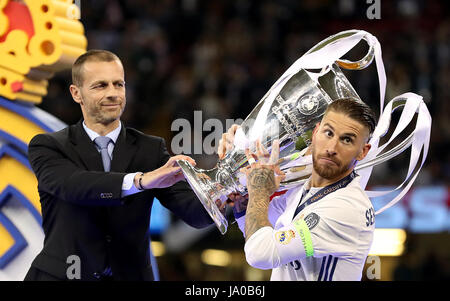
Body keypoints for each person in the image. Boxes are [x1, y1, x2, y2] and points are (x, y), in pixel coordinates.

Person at [24, 49, 213, 281]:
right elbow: (73, 186)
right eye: (100, 86)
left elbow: (195, 214)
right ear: (76, 93)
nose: (113, 93)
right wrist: (139, 181)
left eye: (119, 84)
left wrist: (232, 194)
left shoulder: (150, 149)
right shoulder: (48, 146)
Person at [219, 98, 376, 281]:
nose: (332, 148)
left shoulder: (346, 209)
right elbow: (258, 231)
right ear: (316, 132)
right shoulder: (305, 187)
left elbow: (260, 254)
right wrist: (244, 199)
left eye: (347, 139)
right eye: (328, 133)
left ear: (363, 151)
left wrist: (259, 190)